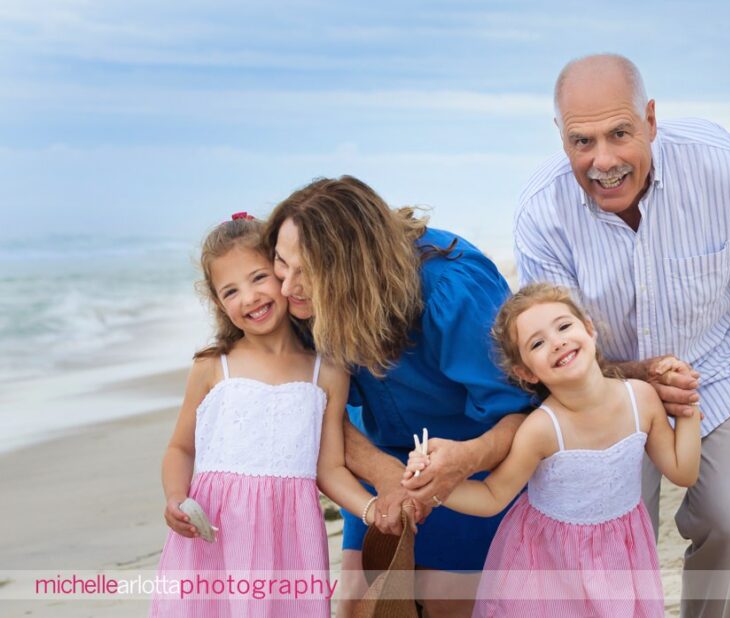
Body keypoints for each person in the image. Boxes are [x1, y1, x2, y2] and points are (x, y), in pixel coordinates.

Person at [514, 54, 730, 617]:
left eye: (620, 134)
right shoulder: (541, 212)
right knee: (616, 544)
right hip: (603, 387)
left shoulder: (725, 167)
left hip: (719, 366)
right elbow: (554, 343)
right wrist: (634, 377)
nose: (603, 160)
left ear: (650, 120)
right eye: (582, 142)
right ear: (560, 137)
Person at [265, 177, 533, 617]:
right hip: (379, 456)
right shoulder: (295, 299)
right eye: (281, 262)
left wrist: (462, 462)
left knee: (449, 602)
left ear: (353, 270)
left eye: (307, 273)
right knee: (358, 600)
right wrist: (385, 474)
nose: (287, 286)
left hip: (476, 464)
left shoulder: (452, 288)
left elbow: (523, 412)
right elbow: (315, 409)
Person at [405, 283, 701, 616]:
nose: (557, 342)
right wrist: (435, 486)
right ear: (526, 372)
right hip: (549, 562)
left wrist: (689, 408)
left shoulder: (641, 398)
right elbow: (492, 495)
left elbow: (683, 471)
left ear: (589, 329)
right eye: (538, 343)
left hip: (622, 552)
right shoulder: (543, 429)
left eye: (564, 326)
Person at [151, 213, 381, 617]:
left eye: (259, 277)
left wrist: (371, 510)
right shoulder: (212, 367)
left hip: (289, 544)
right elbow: (180, 448)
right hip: (215, 541)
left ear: (283, 272)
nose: (249, 298)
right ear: (218, 303)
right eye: (230, 291)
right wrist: (175, 497)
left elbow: (329, 469)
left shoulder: (326, 371)